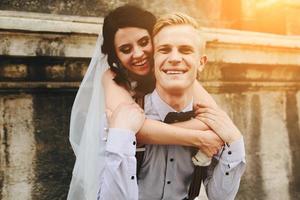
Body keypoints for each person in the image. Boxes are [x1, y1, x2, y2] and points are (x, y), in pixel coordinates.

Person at [67, 5, 223, 200]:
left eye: (143, 42)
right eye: (126, 49)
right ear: (115, 55)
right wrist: (199, 138)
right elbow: (133, 131)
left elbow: (214, 119)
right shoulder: (112, 77)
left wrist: (152, 131)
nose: (138, 53)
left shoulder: (172, 71)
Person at [136, 13, 246, 200]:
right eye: (164, 50)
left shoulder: (211, 122)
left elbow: (219, 197)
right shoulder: (128, 113)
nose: (174, 58)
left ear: (201, 63)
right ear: (152, 59)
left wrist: (236, 142)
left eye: (185, 50)